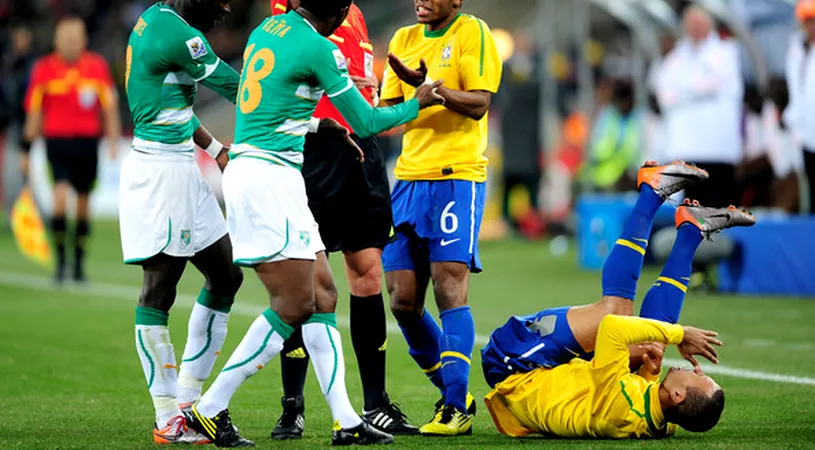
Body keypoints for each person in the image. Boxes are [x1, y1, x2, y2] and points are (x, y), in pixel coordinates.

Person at [185, 0, 444, 446]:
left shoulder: (269, 30)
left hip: (273, 171)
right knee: (293, 304)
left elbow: (269, 105)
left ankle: (346, 420)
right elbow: (366, 119)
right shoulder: (321, 49)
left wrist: (321, 125)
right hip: (268, 178)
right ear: (342, 12)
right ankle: (209, 408)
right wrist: (416, 103)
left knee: (323, 293)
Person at [482, 162, 756, 439]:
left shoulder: (620, 406)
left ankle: (651, 191)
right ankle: (691, 230)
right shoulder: (661, 420)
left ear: (676, 395)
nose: (697, 369)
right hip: (564, 371)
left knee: (614, 314)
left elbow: (613, 328)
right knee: (650, 345)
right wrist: (651, 362)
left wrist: (680, 334)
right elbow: (650, 394)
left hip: (516, 365)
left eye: (697, 377)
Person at [268, 0, 418, 439]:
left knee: (367, 273)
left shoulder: (354, 12)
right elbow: (286, 63)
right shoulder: (293, 5)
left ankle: (375, 404)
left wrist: (367, 86)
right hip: (313, 149)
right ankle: (292, 406)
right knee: (303, 283)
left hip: (361, 151)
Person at [121, 0, 246, 444]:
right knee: (160, 288)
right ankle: (167, 415)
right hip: (161, 174)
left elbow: (173, 103)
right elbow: (240, 89)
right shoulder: (179, 35)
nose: (226, 8)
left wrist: (215, 150)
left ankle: (191, 401)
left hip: (183, 166)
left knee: (226, 275)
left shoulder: (157, 20)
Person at [379, 0, 502, 436]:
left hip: (457, 177)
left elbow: (479, 103)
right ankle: (455, 394)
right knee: (402, 300)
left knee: (450, 284)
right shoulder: (402, 39)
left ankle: (453, 406)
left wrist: (432, 87)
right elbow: (390, 112)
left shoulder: (473, 32)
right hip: (409, 179)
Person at [22, 17, 120, 283]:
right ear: (57, 40)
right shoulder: (44, 69)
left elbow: (109, 106)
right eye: (66, 38)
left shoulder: (96, 67)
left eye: (75, 38)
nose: (71, 43)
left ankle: (78, 263)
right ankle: (61, 261)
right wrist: (27, 145)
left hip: (88, 143)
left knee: (83, 205)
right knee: (60, 197)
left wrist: (112, 141)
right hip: (57, 143)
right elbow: (34, 109)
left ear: (84, 40)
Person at [654, 5, 743, 208]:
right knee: (694, 207)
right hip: (689, 149)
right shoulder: (678, 55)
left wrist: (684, 90)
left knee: (720, 206)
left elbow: (711, 82)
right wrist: (693, 87)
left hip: (718, 149)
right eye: (690, 24)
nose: (694, 29)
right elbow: (665, 90)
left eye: (699, 24)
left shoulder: (724, 51)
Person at [784, 0, 815, 214]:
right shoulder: (797, 49)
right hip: (805, 130)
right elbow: (797, 89)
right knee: (809, 183)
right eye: (807, 21)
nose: (810, 26)